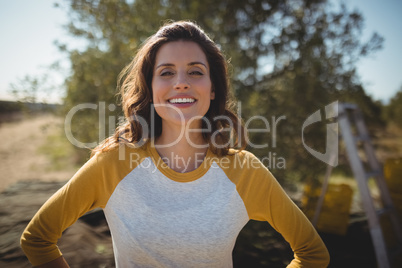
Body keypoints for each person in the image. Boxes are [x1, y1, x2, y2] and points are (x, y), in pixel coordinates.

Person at [20, 21, 330, 267]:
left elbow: (312, 254)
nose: (181, 81)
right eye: (166, 72)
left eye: (195, 71)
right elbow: (37, 239)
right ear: (151, 88)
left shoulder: (245, 172)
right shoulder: (114, 163)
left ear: (212, 90)